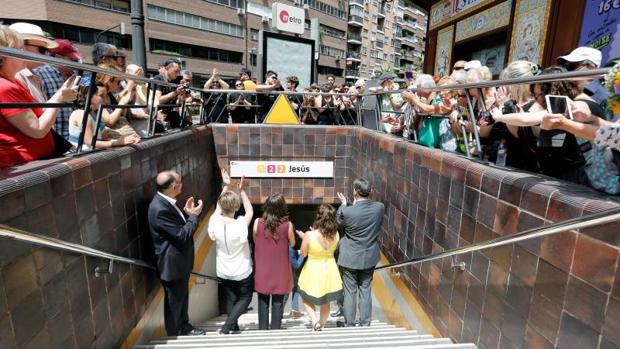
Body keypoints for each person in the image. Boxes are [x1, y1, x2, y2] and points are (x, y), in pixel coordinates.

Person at [0, 26, 77, 168]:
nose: (23, 53)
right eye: (19, 49)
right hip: (23, 167)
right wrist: (59, 98)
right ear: (4, 55)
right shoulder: (5, 86)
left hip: (32, 163)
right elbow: (38, 129)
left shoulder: (13, 82)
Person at [148, 170, 205, 336]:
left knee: (180, 297)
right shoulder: (159, 209)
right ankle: (174, 335)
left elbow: (177, 230)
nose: (182, 185)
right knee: (174, 301)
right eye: (180, 182)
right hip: (172, 265)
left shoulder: (165, 202)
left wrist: (188, 215)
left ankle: (185, 326)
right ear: (174, 186)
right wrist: (194, 216)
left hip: (179, 263)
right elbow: (182, 235)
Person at [207, 169, 253, 334]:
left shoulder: (214, 221)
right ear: (236, 206)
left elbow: (219, 208)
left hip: (223, 270)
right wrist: (242, 190)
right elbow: (250, 211)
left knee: (230, 298)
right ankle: (227, 326)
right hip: (241, 269)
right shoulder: (240, 224)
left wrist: (226, 187)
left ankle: (233, 325)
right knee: (245, 297)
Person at [336, 178, 384, 327]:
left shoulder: (347, 211)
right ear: (370, 192)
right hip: (369, 257)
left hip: (349, 257)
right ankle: (365, 322)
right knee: (365, 289)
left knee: (350, 291)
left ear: (355, 192)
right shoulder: (379, 207)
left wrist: (343, 205)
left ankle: (349, 323)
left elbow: (339, 223)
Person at [296, 204, 343, 331]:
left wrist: (304, 237)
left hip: (313, 268)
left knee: (305, 296)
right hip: (330, 268)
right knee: (326, 300)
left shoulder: (309, 235)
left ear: (318, 217)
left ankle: (315, 321)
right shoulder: (336, 234)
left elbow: (303, 253)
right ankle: (321, 325)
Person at [253, 193, 295, 330]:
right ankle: (275, 332)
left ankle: (262, 331)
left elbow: (255, 239)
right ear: (282, 207)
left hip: (262, 269)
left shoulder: (257, 222)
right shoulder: (287, 225)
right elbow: (293, 243)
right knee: (278, 303)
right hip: (280, 270)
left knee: (262, 302)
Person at [67, 82, 140, 149]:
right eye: (101, 96)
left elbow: (102, 139)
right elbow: (89, 142)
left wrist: (127, 140)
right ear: (88, 96)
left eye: (106, 96)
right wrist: (118, 142)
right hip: (83, 155)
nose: (105, 100)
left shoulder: (94, 113)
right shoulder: (81, 114)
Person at [34, 39, 82, 139]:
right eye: (72, 59)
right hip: (56, 137)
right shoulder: (39, 74)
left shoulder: (74, 76)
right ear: (58, 57)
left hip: (77, 134)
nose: (76, 63)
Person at [9, 22, 58, 103]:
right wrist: (59, 98)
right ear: (21, 46)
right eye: (42, 49)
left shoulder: (32, 75)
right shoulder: (16, 75)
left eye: (47, 50)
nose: (47, 54)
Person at [153, 58, 190, 129]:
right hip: (158, 114)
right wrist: (175, 92)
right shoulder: (158, 79)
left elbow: (183, 99)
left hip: (170, 114)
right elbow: (158, 100)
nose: (178, 73)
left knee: (185, 125)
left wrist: (184, 90)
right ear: (167, 68)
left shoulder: (177, 80)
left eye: (179, 71)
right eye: (176, 71)